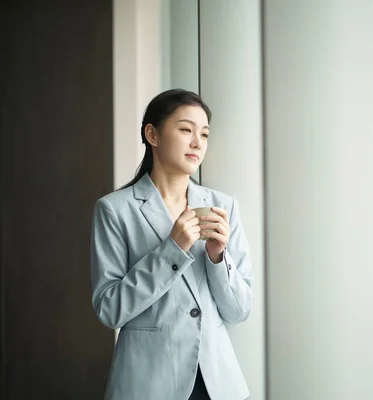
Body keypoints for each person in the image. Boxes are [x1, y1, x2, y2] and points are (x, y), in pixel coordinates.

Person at [90, 89, 254, 400]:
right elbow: (110, 309)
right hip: (149, 384)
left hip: (218, 384)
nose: (197, 143)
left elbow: (239, 310)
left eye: (204, 134)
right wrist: (172, 250)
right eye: (185, 130)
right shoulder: (115, 209)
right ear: (152, 134)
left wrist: (218, 258)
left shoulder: (223, 206)